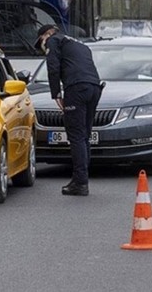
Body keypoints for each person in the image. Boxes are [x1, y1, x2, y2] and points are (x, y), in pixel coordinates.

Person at [35, 24, 103, 196]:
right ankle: (80, 178)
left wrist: (56, 94)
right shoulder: (80, 44)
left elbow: (53, 67)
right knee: (84, 135)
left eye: (41, 41)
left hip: (76, 89)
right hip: (94, 87)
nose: (42, 46)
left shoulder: (53, 40)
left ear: (47, 34)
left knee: (76, 135)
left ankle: (80, 182)